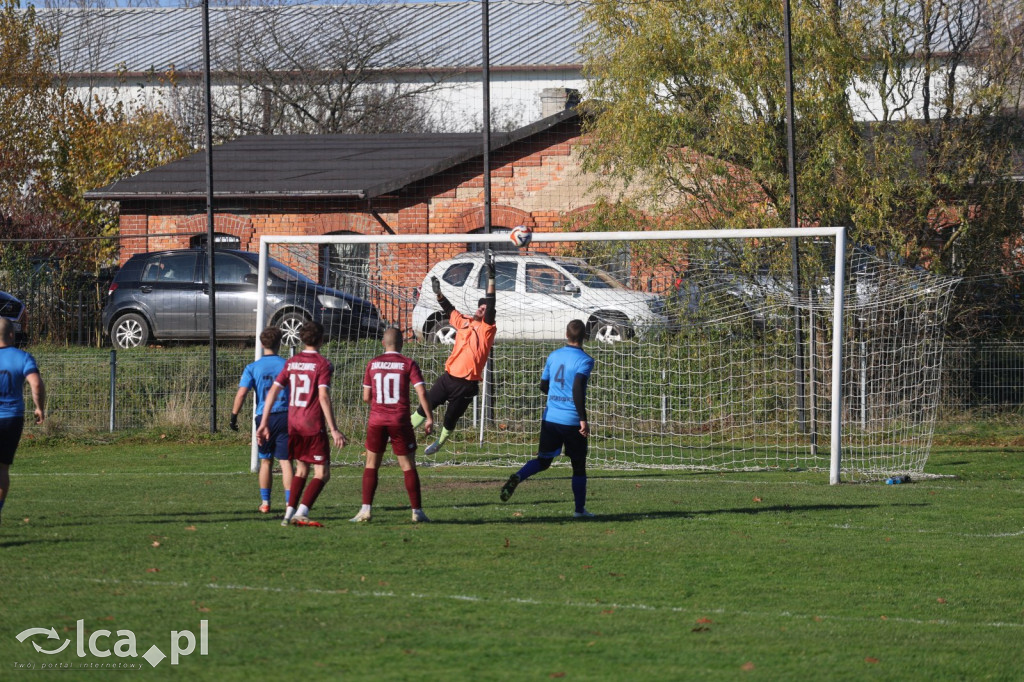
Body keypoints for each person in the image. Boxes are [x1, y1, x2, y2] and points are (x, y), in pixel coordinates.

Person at [500, 319, 596, 518]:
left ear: (566, 335)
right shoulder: (585, 360)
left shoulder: (553, 356)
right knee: (578, 466)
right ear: (584, 337)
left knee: (543, 462)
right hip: (571, 421)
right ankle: (579, 511)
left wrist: (556, 394)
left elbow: (543, 385)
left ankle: (519, 476)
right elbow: (577, 387)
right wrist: (583, 419)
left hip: (551, 418)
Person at [258, 321, 347, 527]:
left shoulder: (291, 362)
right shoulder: (323, 364)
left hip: (293, 423)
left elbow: (273, 391)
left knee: (301, 470)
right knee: (322, 473)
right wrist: (334, 429)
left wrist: (264, 422)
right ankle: (302, 511)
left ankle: (288, 514)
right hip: (312, 424)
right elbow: (323, 396)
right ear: (322, 339)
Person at [412, 251, 496, 455]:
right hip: (448, 378)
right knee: (425, 406)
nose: (482, 310)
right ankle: (400, 433)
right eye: (480, 308)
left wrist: (491, 279)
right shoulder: (464, 322)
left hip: (466, 385)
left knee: (450, 419)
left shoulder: (486, 330)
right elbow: (449, 310)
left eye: (485, 310)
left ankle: (438, 444)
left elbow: (491, 306)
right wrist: (438, 293)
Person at [351, 328, 435, 523]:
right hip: (400, 420)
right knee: (407, 466)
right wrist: (429, 417)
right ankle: (417, 512)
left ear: (383, 343)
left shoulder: (372, 364)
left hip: (377, 420)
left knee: (371, 464)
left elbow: (366, 398)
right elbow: (421, 392)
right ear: (402, 344)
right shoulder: (408, 363)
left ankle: (365, 510)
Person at [230, 326, 293, 514]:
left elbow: (241, 394)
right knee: (286, 462)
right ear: (280, 342)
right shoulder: (288, 365)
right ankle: (290, 505)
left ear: (261, 343)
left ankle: (265, 503)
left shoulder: (253, 367)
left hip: (263, 418)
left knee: (265, 461)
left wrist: (234, 416)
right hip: (285, 415)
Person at [0, 318, 46, 526]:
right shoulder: (23, 357)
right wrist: (39, 407)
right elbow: (35, 384)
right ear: (11, 335)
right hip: (12, 418)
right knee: (2, 469)